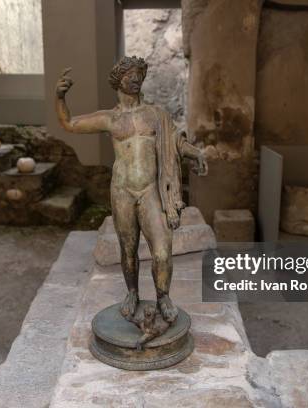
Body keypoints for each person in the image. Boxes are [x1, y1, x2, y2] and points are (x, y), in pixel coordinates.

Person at [55, 56, 207, 323]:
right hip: (122, 191)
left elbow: (175, 142)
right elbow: (69, 123)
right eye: (129, 75)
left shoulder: (155, 115)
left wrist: (196, 153)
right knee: (128, 249)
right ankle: (132, 293)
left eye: (139, 74)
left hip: (150, 191)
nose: (135, 79)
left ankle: (163, 297)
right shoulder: (110, 119)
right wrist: (60, 97)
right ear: (118, 80)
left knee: (162, 250)